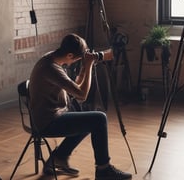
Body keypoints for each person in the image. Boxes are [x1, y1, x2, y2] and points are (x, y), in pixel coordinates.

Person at [28, 33, 132, 180]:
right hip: (48, 122)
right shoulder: (51, 68)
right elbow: (82, 94)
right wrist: (88, 65)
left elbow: (75, 88)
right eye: (78, 58)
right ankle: (103, 170)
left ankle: (59, 157)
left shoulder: (51, 59)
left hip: (51, 115)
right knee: (99, 119)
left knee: (87, 116)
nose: (75, 62)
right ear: (70, 55)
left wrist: (85, 67)